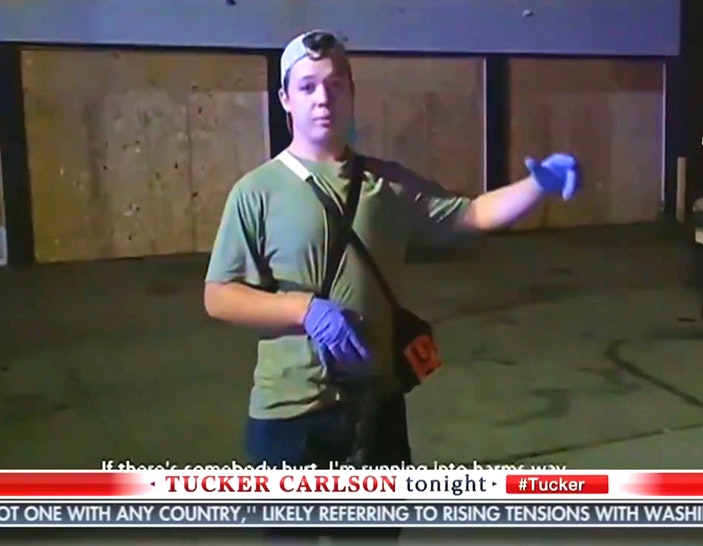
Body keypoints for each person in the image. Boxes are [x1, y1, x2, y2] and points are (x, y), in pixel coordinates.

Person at [203, 29, 580, 542]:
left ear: (352, 92)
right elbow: (219, 295)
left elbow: (473, 214)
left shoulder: (387, 185)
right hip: (291, 415)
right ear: (286, 99)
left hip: (374, 408)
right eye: (308, 86)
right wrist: (304, 310)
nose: (323, 98)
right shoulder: (257, 192)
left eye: (335, 85)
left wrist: (538, 185)